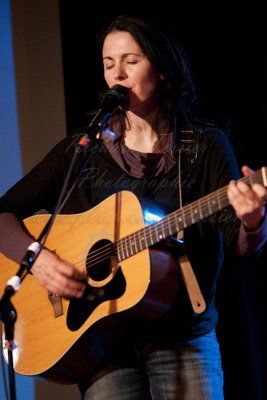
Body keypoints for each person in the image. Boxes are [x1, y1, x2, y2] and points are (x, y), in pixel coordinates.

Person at [0, 14, 267, 400]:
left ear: (160, 70)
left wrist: (254, 221)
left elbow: (242, 246)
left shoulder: (204, 146)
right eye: (109, 64)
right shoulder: (83, 151)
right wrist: (38, 260)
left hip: (183, 341)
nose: (117, 74)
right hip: (101, 343)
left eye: (131, 60)